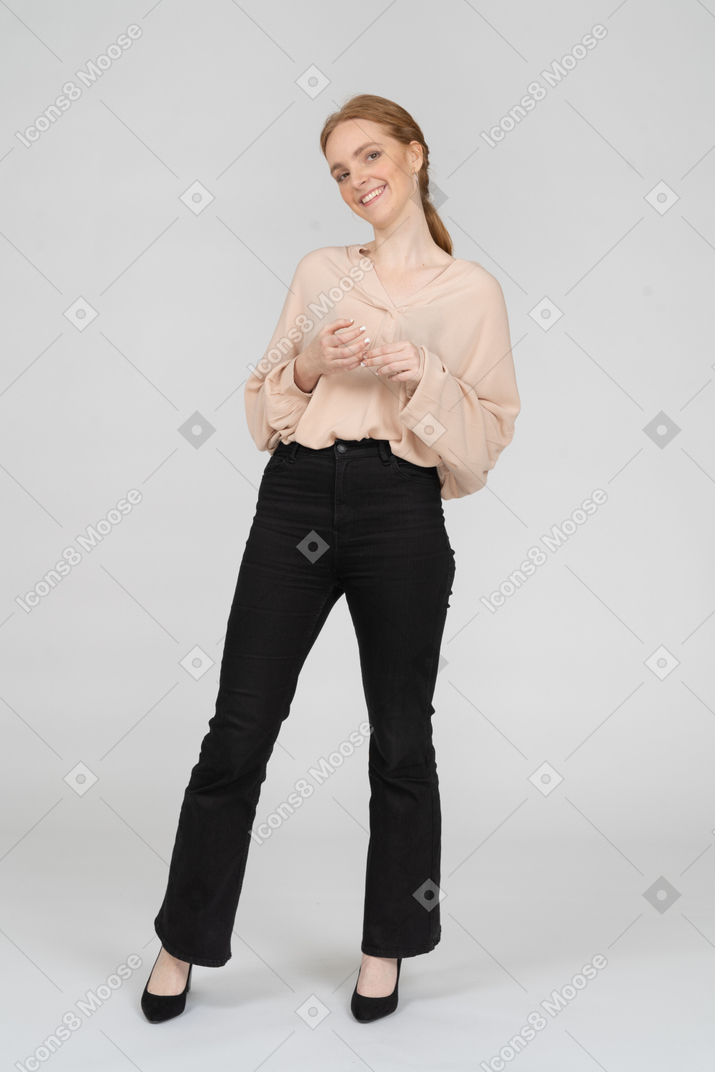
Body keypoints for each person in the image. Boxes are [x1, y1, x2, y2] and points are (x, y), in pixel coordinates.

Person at [141, 92, 521, 1025]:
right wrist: (308, 362)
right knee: (238, 727)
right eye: (338, 171)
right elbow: (260, 406)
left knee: (401, 738)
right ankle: (182, 939)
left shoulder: (469, 291)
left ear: (415, 154)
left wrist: (417, 375)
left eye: (367, 157)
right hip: (299, 499)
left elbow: (487, 440)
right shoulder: (320, 270)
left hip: (399, 510)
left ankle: (388, 942)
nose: (356, 180)